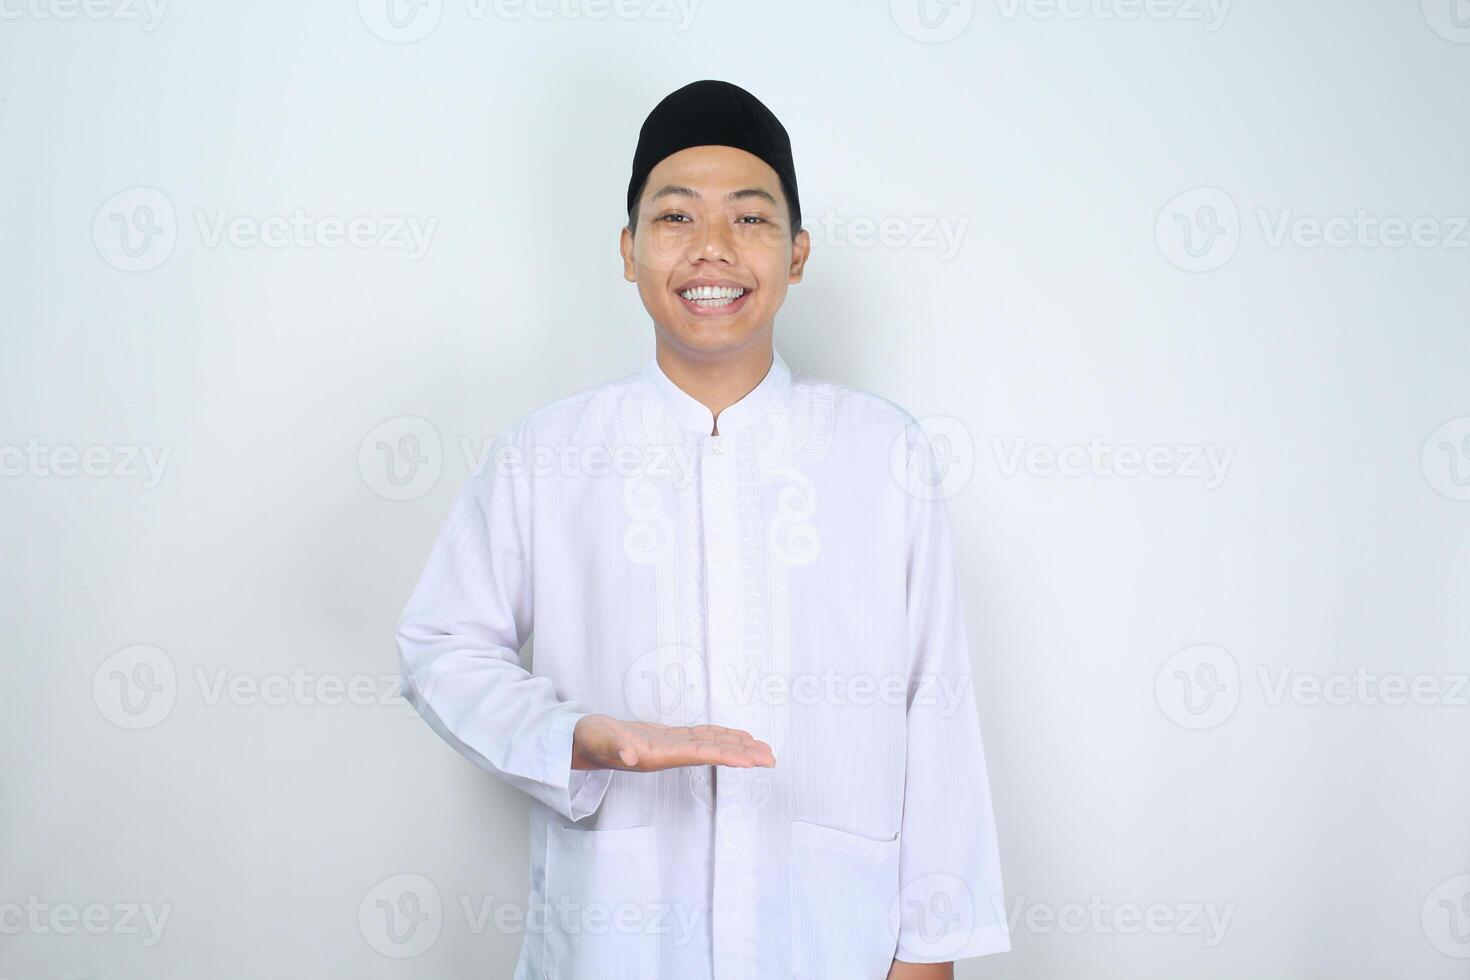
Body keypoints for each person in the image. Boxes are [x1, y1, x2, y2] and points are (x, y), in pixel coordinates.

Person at [395, 78, 1011, 980]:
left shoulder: (883, 453)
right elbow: (440, 645)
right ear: (628, 248)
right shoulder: (547, 455)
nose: (713, 249)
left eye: (751, 219)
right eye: (675, 217)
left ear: (798, 254)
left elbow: (937, 704)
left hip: (833, 935)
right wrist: (576, 736)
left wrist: (933, 946)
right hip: (616, 939)